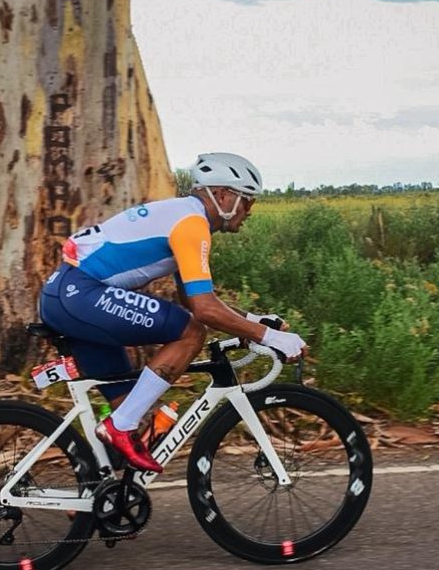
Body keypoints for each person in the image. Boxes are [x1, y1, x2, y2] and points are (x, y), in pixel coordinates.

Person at [39, 152, 307, 473]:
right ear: (222, 196)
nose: (250, 211)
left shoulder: (184, 216)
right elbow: (202, 311)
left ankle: (94, 500)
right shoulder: (192, 224)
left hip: (71, 296)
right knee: (191, 332)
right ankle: (119, 427)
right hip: (79, 294)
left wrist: (251, 322)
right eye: (247, 201)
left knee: (127, 406)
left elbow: (192, 297)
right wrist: (271, 337)